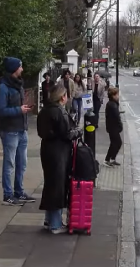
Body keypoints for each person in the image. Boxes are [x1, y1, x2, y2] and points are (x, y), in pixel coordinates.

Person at [38, 85, 79, 234]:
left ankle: (49, 220)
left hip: (47, 150)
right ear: (63, 97)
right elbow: (66, 134)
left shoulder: (44, 110)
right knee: (58, 186)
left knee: (50, 184)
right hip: (59, 152)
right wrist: (78, 132)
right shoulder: (59, 111)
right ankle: (55, 224)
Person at [0, 57, 35, 206]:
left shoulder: (19, 85)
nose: (22, 69)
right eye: (20, 67)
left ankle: (19, 191)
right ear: (14, 69)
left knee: (22, 163)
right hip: (10, 130)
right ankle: (8, 194)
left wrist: (23, 109)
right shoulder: (3, 88)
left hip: (21, 129)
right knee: (9, 163)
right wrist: (19, 110)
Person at [105, 87, 123, 166]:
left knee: (114, 143)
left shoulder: (112, 103)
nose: (118, 96)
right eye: (117, 94)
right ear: (113, 96)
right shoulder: (113, 105)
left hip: (111, 127)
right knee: (117, 143)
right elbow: (116, 117)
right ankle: (107, 159)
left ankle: (111, 159)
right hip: (113, 127)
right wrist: (120, 126)